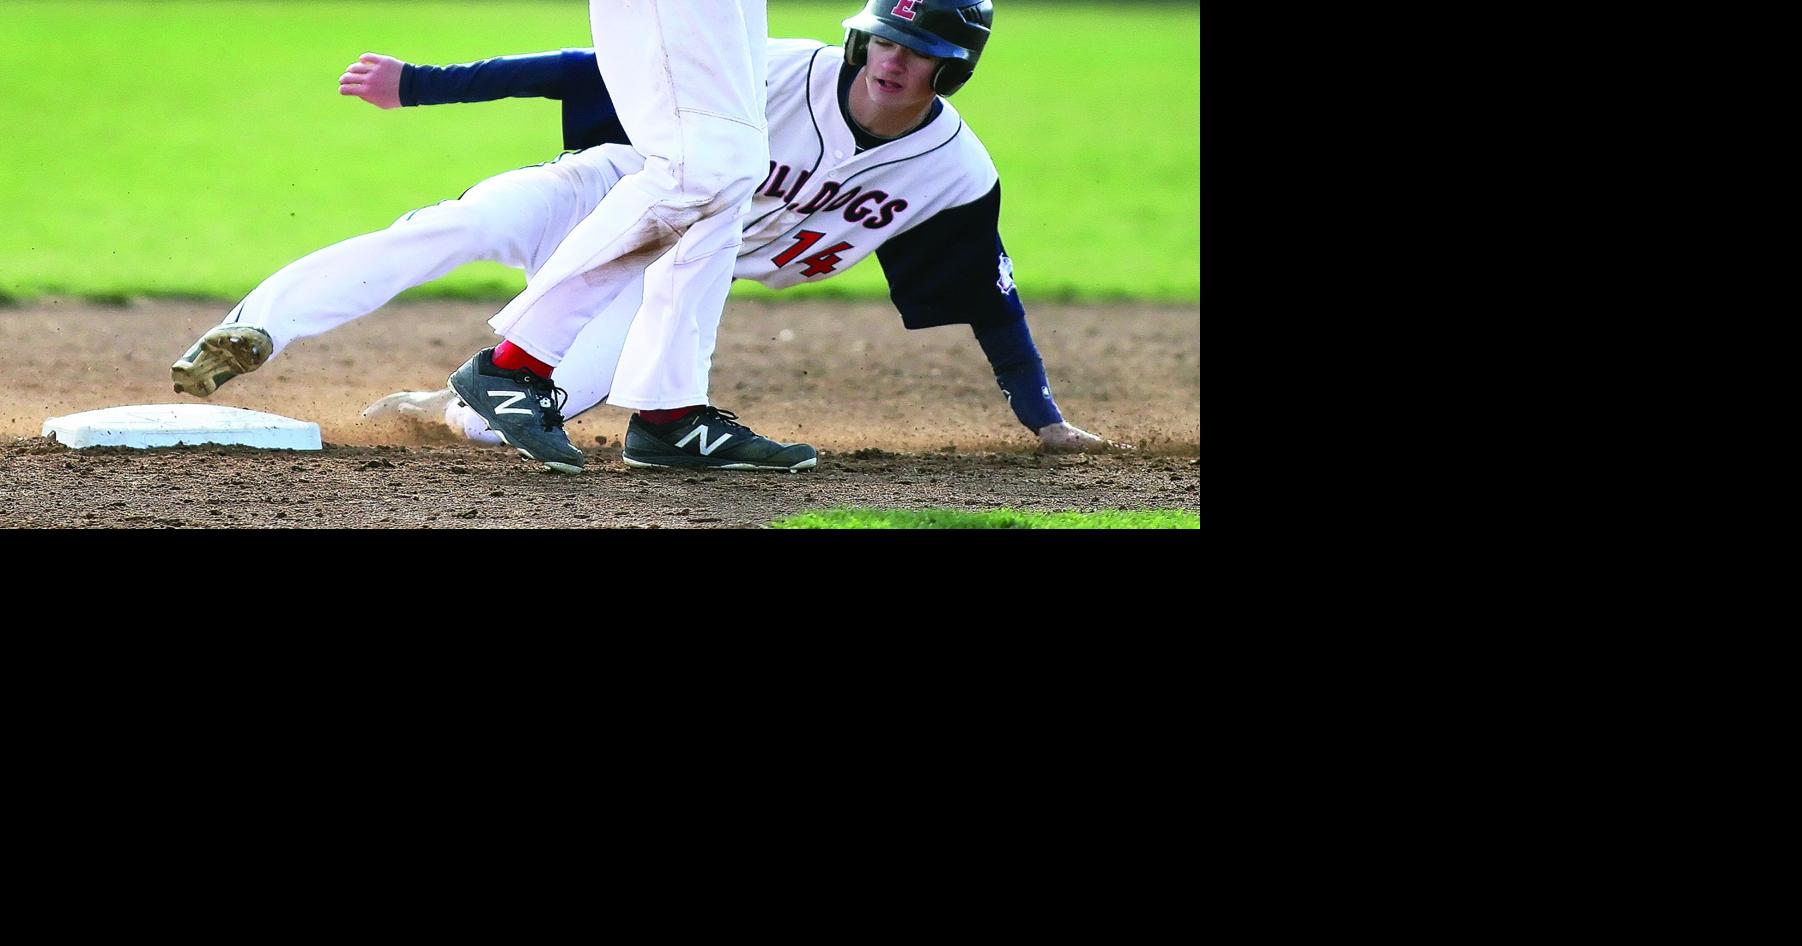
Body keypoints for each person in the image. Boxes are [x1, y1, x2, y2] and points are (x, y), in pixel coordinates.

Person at [172, 0, 1125, 467]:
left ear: (953, 71)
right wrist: (423, 83)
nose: (895, 60)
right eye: (887, 38)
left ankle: (448, 408)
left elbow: (985, 297)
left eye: (923, 52)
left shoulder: (949, 174)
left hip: (653, 275)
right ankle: (256, 328)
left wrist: (1042, 420)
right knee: (454, 227)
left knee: (561, 402)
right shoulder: (776, 70)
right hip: (613, 187)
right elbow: (586, 66)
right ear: (861, 37)